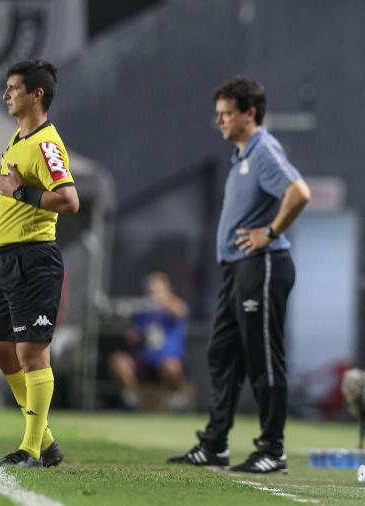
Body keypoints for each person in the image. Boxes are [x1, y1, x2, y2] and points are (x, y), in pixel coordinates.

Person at [168, 78, 311, 473]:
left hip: (262, 266)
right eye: (217, 114)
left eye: (227, 113)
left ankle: (272, 450)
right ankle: (214, 444)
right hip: (237, 269)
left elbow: (300, 192)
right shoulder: (241, 155)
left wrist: (269, 233)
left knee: (263, 356)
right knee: (222, 355)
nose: (220, 121)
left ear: (250, 113)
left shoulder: (264, 150)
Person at [0, 60, 80, 468]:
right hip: (6, 258)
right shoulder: (17, 137)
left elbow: (70, 200)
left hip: (34, 259)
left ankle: (32, 450)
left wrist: (23, 195)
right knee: (5, 354)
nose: (6, 95)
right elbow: (6, 198)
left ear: (36, 94)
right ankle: (48, 440)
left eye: (13, 88)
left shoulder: (46, 144)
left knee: (32, 354)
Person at [109, 272, 189, 411]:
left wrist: (162, 300)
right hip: (145, 362)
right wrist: (134, 337)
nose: (152, 293)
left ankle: (176, 401)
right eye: (150, 290)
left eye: (157, 289)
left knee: (171, 366)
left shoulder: (174, 306)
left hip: (165, 364)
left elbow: (181, 311)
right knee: (118, 361)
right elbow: (132, 339)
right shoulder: (143, 313)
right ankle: (131, 402)